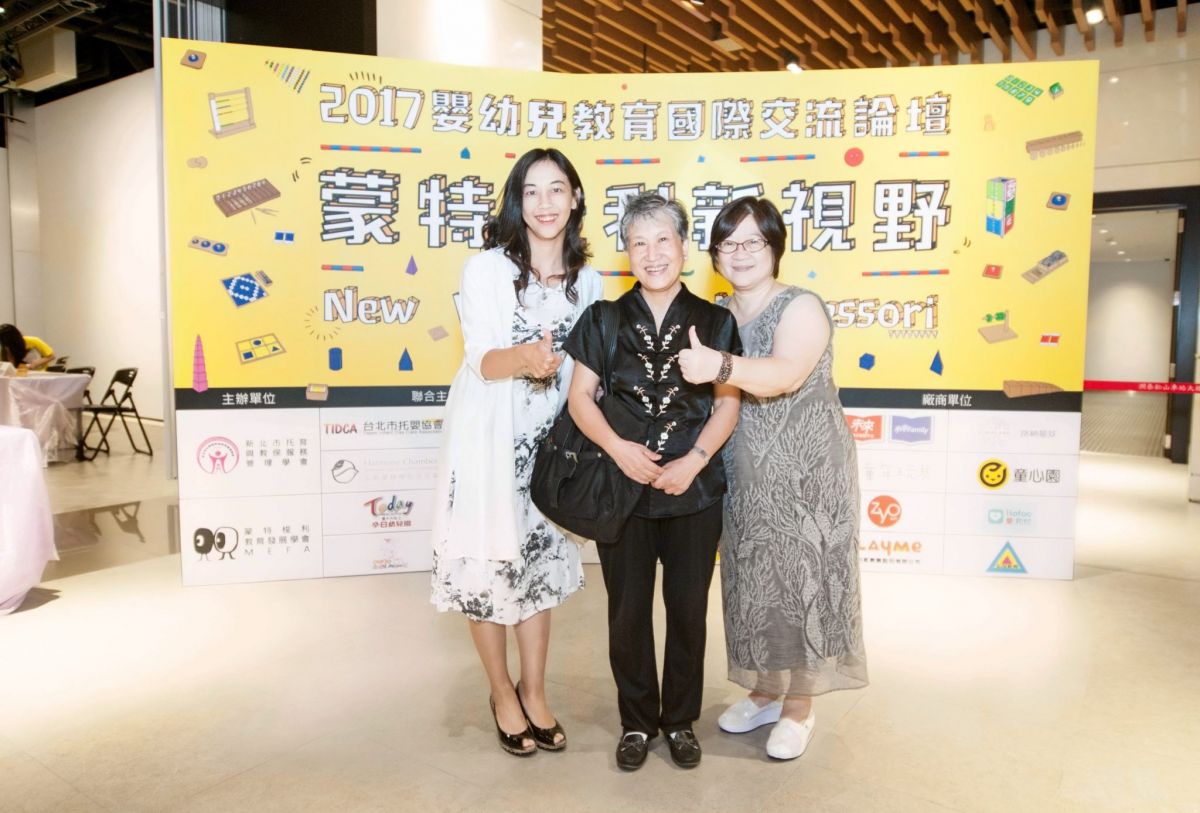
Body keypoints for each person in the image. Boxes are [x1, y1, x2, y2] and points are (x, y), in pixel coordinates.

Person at [678, 196, 868, 761]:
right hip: (742, 471)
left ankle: (799, 706)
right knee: (754, 580)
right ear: (714, 254)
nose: (739, 253)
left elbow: (784, 374)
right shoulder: (716, 314)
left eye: (752, 242)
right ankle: (764, 691)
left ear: (775, 247)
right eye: (727, 243)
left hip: (807, 473)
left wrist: (719, 365)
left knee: (803, 582)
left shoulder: (800, 306)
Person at [429, 148, 603, 757]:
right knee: (488, 566)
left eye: (557, 189)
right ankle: (502, 693)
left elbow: (589, 368)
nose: (545, 203)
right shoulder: (487, 270)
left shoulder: (590, 280)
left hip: (552, 449)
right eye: (531, 191)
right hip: (489, 442)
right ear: (516, 201)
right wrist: (526, 358)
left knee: (539, 567)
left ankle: (535, 690)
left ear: (575, 198)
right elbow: (481, 358)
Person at [564, 192, 741, 771]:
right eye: (638, 243)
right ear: (627, 253)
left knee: (688, 612)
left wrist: (695, 460)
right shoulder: (602, 320)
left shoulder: (716, 321)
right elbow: (580, 397)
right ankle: (637, 722)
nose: (652, 253)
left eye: (663, 240)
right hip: (622, 492)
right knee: (627, 614)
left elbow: (727, 404)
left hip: (695, 492)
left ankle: (680, 720)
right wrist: (617, 449)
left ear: (683, 248)